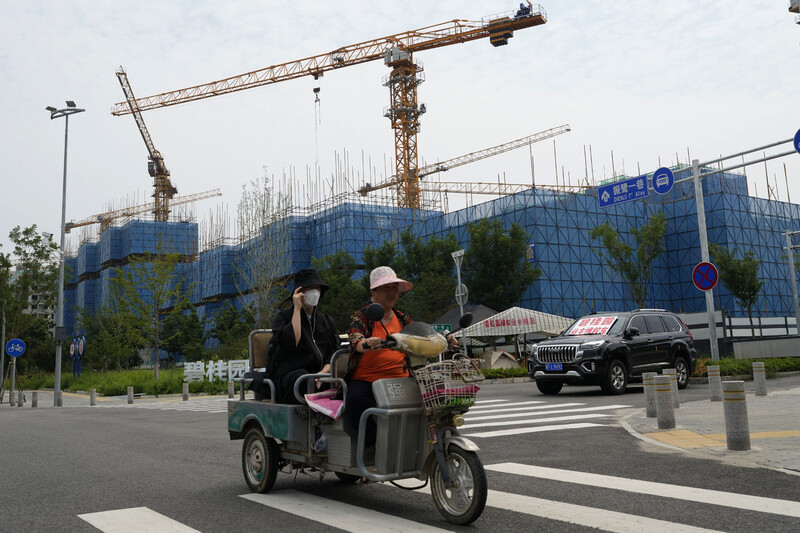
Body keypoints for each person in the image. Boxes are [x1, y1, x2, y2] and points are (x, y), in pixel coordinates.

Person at [344, 266, 416, 445]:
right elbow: (355, 337)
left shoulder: (403, 319)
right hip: (368, 381)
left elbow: (419, 335)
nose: (392, 292)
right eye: (386, 288)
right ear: (373, 291)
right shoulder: (362, 316)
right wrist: (365, 343)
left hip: (402, 379)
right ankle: (376, 446)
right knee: (355, 400)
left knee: (429, 399)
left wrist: (445, 338)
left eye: (394, 288)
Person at [270, 268, 339, 404]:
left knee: (343, 381)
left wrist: (324, 371)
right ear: (299, 292)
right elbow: (291, 343)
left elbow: (334, 350)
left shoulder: (326, 320)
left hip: (320, 374)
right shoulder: (283, 317)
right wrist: (297, 309)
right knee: (302, 378)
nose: (315, 292)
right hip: (292, 375)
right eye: (310, 288)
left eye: (317, 288)